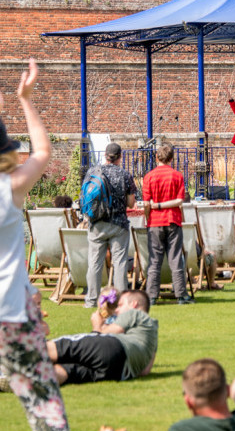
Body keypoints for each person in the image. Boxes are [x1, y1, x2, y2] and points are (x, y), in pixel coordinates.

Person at [0, 59, 73, 431]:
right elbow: (42, 151)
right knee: (44, 409)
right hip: (11, 315)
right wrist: (24, 100)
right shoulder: (9, 187)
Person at [47, 290, 158, 385]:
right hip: (119, 372)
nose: (117, 310)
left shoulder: (134, 313)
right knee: (70, 370)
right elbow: (145, 371)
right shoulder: (152, 333)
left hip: (113, 346)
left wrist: (97, 324)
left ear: (134, 304)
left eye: (120, 305)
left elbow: (107, 333)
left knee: (57, 348)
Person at [84, 142, 137, 307]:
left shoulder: (92, 172)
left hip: (96, 222)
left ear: (105, 155)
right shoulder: (124, 175)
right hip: (118, 224)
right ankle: (119, 300)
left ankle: (91, 299)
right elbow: (130, 203)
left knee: (94, 262)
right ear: (120, 157)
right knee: (119, 262)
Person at [142, 143, 194, 306]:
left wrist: (152, 211)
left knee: (155, 260)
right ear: (171, 159)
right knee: (176, 258)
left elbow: (146, 204)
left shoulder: (149, 177)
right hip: (173, 219)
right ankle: (180, 294)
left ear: (157, 158)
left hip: (155, 222)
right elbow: (179, 201)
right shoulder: (177, 176)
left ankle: (151, 295)